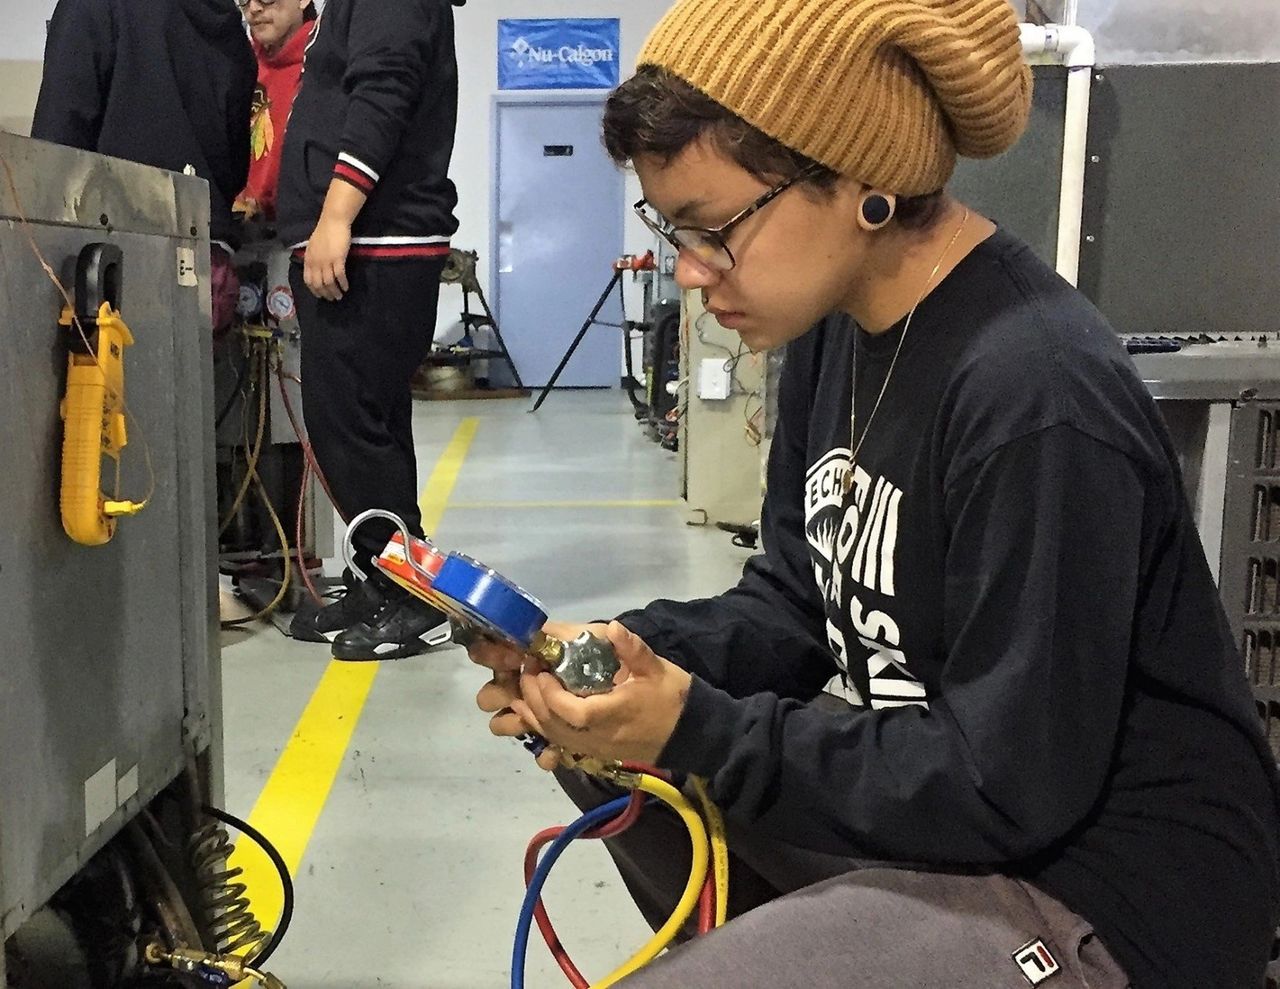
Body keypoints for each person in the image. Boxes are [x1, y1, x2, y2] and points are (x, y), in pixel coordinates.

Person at [468, 0, 1280, 985]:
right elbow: (791, 603)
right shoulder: (832, 332)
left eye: (712, 229)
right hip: (970, 820)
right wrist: (616, 656)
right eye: (670, 227)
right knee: (609, 752)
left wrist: (693, 722)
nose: (687, 271)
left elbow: (1006, 781)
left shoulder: (1034, 390)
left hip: (1103, 889)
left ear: (860, 184)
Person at [278, 0, 464, 660]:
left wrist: (336, 217)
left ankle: (410, 597)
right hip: (373, 237)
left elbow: (385, 91)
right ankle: (383, 576)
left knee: (349, 421)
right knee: (368, 423)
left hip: (376, 239)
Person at [32, 0, 256, 337]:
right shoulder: (226, 23)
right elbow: (233, 167)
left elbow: (56, 144)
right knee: (194, 388)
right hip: (206, 263)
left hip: (108, 264)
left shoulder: (95, 8)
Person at [234, 0, 316, 224]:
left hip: (304, 233)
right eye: (243, 0)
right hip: (239, 231)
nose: (253, 9)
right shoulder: (238, 64)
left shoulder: (323, 65)